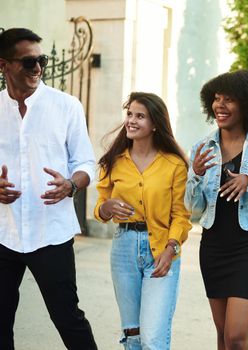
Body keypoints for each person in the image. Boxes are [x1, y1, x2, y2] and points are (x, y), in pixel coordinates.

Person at [0, 28, 98, 349]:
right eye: (29, 62)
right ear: (4, 65)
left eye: (41, 60)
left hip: (50, 233)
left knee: (67, 317)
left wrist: (70, 184)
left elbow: (86, 163)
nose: (38, 68)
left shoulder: (66, 106)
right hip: (4, 232)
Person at [184, 69, 248, 350]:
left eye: (229, 99)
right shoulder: (202, 148)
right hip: (213, 246)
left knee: (236, 336)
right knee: (222, 335)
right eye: (217, 99)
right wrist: (195, 176)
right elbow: (193, 210)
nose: (220, 105)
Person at [94, 92, 192, 349]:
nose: (131, 121)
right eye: (130, 114)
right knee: (133, 336)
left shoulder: (174, 165)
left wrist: (171, 249)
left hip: (161, 251)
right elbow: (100, 208)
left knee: (153, 338)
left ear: (155, 124)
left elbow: (181, 215)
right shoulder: (113, 162)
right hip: (123, 249)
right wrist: (106, 207)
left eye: (140, 116)